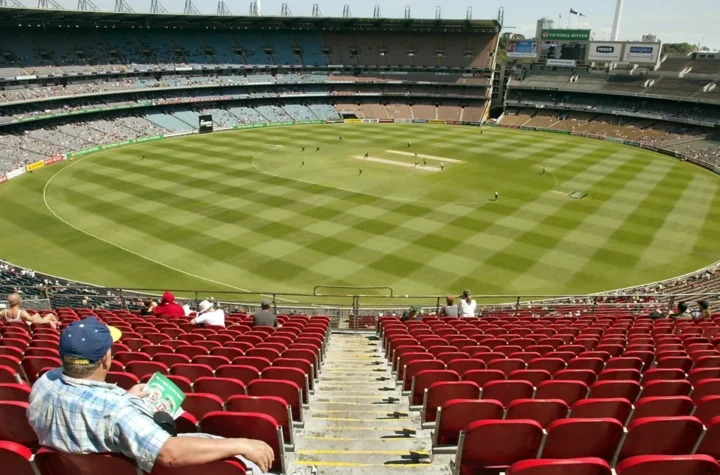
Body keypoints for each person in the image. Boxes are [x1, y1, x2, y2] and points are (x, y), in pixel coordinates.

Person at [27, 316, 275, 474]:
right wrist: (242, 443)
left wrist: (127, 397)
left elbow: (82, 403)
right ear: (105, 358)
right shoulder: (115, 411)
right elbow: (169, 453)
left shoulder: (44, 383)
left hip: (70, 468)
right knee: (233, 454)